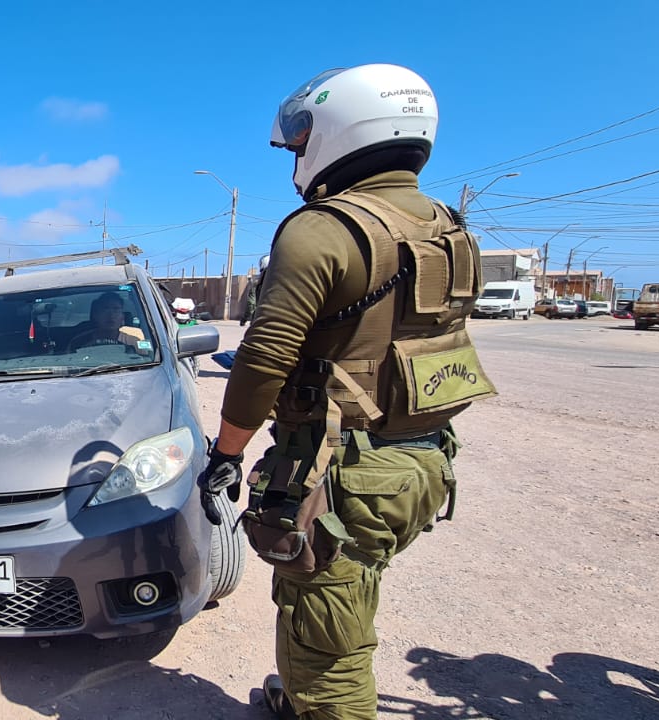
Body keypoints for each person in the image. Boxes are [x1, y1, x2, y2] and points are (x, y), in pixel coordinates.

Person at [195, 64, 494, 719]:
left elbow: (265, 356)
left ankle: (319, 702)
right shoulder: (447, 228)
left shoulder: (321, 230)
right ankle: (300, 699)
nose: (297, 156)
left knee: (330, 647)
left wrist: (226, 453)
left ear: (344, 130)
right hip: (424, 461)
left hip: (346, 476)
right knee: (339, 597)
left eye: (301, 142)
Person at [241, 254, 272, 326]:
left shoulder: (259, 283)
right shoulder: (283, 279)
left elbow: (251, 304)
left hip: (262, 317)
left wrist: (244, 319)